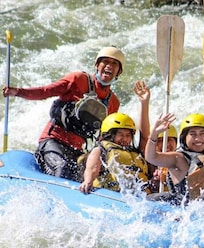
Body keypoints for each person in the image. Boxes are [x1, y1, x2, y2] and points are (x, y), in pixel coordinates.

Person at [2, 46, 125, 182]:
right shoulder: (78, 79)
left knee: (81, 179)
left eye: (114, 64)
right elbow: (45, 91)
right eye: (105, 62)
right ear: (97, 65)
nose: (109, 66)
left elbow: (104, 138)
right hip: (52, 141)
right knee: (62, 168)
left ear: (119, 71)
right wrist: (18, 92)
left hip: (77, 150)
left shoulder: (113, 103)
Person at [79, 80, 151, 194]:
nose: (125, 139)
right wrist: (88, 180)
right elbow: (93, 168)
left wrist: (144, 104)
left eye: (128, 135)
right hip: (113, 196)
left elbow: (145, 137)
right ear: (110, 135)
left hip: (139, 199)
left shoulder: (136, 152)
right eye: (120, 135)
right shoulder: (101, 150)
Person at [146, 125, 178, 193]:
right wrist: (156, 180)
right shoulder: (148, 163)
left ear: (176, 143)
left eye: (169, 139)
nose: (165, 144)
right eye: (160, 141)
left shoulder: (182, 161)